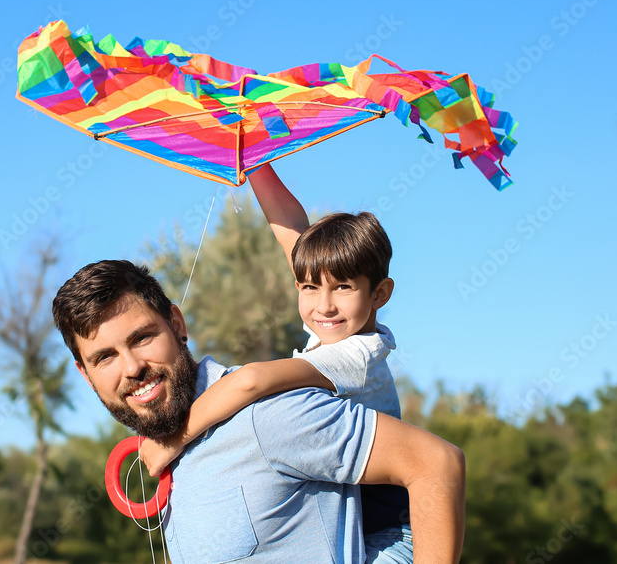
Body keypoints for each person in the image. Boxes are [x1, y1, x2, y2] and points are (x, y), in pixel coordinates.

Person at [53, 258, 465, 563]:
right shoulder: (167, 453)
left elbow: (435, 464)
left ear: (177, 324)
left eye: (142, 338)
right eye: (104, 357)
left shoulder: (265, 416)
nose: (132, 368)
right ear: (85, 375)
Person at [139, 163, 413, 560]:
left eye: (343, 288)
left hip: (386, 537)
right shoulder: (333, 328)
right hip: (352, 517)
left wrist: (172, 441)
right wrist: (254, 157)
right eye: (308, 287)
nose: (324, 305)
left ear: (380, 294)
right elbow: (289, 226)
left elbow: (250, 382)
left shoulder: (358, 354)